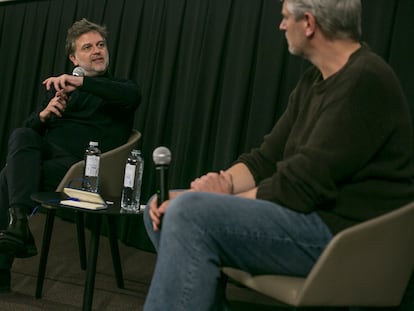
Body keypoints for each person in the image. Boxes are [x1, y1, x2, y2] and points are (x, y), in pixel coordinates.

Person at [143, 0, 414, 310]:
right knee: (158, 207)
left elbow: (300, 185)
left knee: (189, 213)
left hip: (348, 237)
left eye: (286, 17)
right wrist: (222, 183)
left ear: (309, 23)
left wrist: (214, 201)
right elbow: (266, 159)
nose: (281, 25)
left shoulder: (365, 79)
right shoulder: (313, 81)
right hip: (310, 218)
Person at [0, 18, 141, 292]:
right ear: (73, 57)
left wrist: (81, 82)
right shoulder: (61, 90)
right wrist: (43, 117)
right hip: (49, 162)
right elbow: (25, 138)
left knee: (6, 178)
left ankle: (9, 249)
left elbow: (130, 95)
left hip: (83, 172)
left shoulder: (121, 90)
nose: (97, 50)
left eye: (100, 45)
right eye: (87, 47)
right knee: (22, 134)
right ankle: (17, 225)